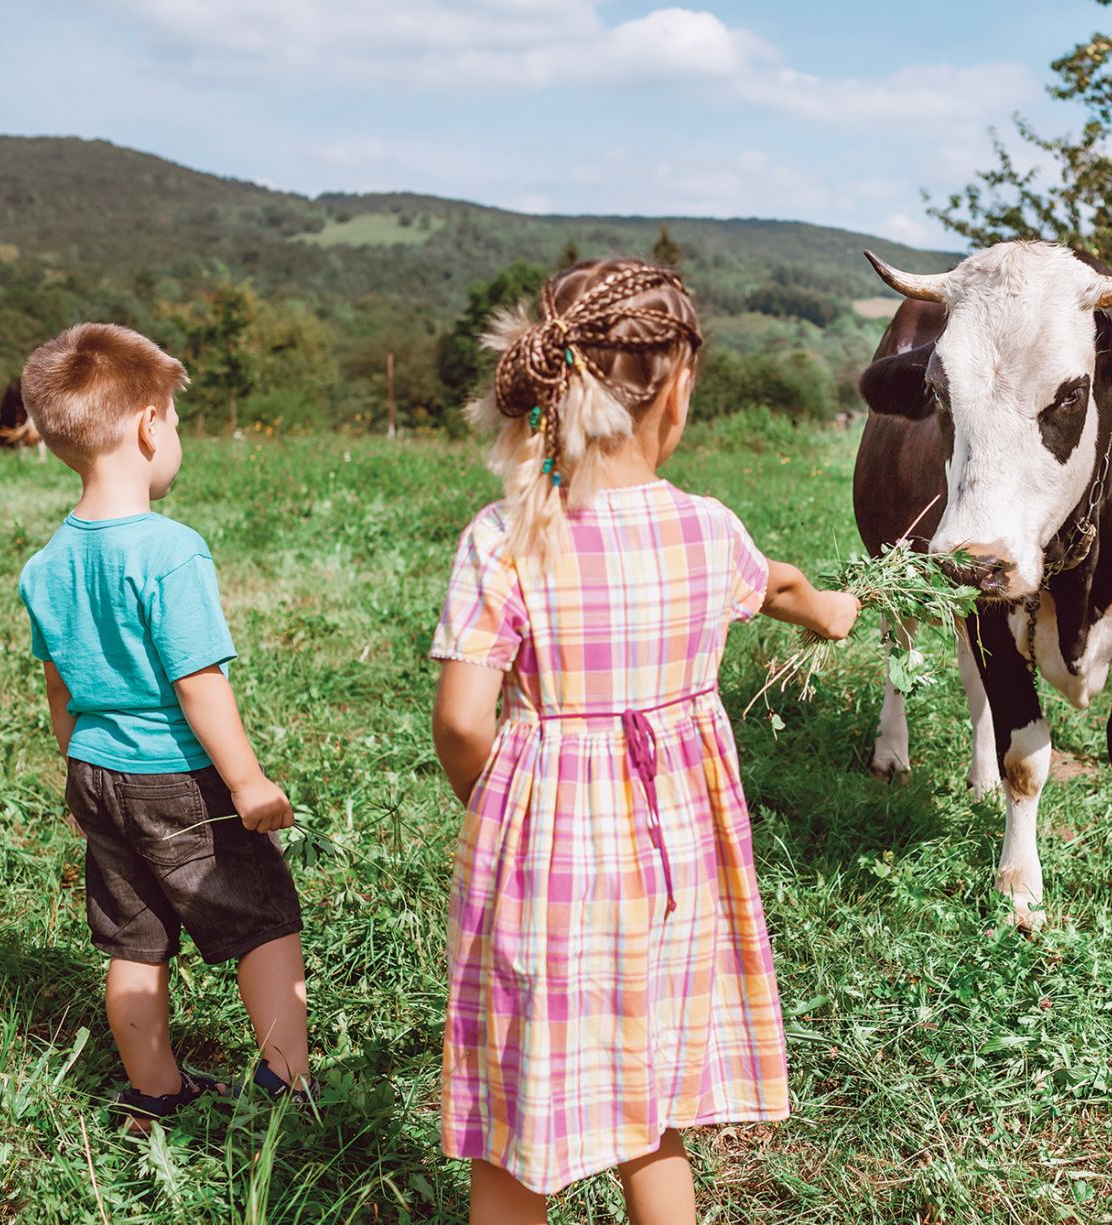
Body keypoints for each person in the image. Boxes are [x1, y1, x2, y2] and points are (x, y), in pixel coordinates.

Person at [430, 260, 860, 1222]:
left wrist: (500, 804)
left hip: (548, 866)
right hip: (675, 872)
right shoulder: (709, 529)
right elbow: (784, 587)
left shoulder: (503, 539)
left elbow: (462, 719)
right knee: (653, 1105)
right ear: (676, 387)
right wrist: (832, 610)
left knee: (517, 1127)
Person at [16, 323, 311, 1130]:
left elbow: (58, 687)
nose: (176, 436)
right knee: (262, 918)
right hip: (178, 777)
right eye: (176, 421)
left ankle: (154, 1091)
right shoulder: (170, 550)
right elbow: (197, 683)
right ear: (150, 425)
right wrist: (246, 781)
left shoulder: (46, 563)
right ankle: (290, 1086)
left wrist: (78, 768)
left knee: (133, 940)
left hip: (96, 771)